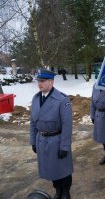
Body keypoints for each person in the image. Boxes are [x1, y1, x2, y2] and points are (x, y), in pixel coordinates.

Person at [30, 69, 73, 199]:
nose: (39, 84)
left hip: (57, 140)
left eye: (42, 81)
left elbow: (67, 125)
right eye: (38, 81)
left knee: (62, 170)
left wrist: (64, 146)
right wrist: (33, 141)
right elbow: (32, 122)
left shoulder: (61, 99)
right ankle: (58, 191)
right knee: (51, 169)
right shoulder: (36, 98)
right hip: (42, 140)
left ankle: (65, 192)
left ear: (51, 82)